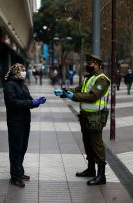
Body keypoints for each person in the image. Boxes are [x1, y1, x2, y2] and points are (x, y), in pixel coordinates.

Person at [54, 54, 110, 186]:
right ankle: (91, 169)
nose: (87, 64)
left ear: (96, 64)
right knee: (87, 143)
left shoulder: (102, 80)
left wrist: (73, 96)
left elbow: (92, 96)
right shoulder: (89, 78)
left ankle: (101, 175)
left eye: (89, 62)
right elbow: (78, 90)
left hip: (96, 117)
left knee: (97, 145)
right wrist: (64, 92)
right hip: (85, 116)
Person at [3, 63, 46, 188]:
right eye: (21, 70)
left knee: (23, 147)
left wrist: (37, 102)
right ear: (15, 72)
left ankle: (19, 172)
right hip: (15, 122)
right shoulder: (9, 86)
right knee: (16, 149)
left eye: (24, 70)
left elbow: (28, 100)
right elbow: (13, 103)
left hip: (25, 121)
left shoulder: (23, 85)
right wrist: (30, 102)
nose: (24, 72)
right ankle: (15, 177)